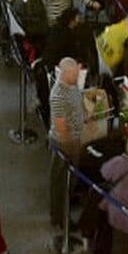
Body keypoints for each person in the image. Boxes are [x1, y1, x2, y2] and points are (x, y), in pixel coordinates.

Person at [49, 58, 85, 226]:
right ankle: (60, 217)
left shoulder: (72, 85)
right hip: (64, 144)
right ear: (64, 74)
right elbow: (60, 126)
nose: (77, 77)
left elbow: (77, 103)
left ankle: (67, 202)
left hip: (74, 141)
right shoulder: (58, 96)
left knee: (70, 179)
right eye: (74, 75)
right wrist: (71, 142)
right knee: (61, 182)